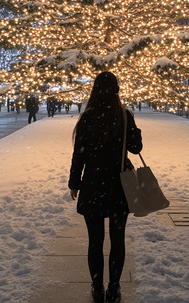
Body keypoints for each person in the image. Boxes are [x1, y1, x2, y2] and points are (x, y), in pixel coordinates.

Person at [68, 72, 142, 303]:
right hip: (118, 186)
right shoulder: (123, 116)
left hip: (93, 185)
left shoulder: (87, 118)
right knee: (117, 239)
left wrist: (74, 183)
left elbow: (78, 154)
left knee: (95, 240)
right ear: (117, 90)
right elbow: (135, 147)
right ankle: (114, 288)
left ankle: (97, 287)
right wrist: (132, 126)